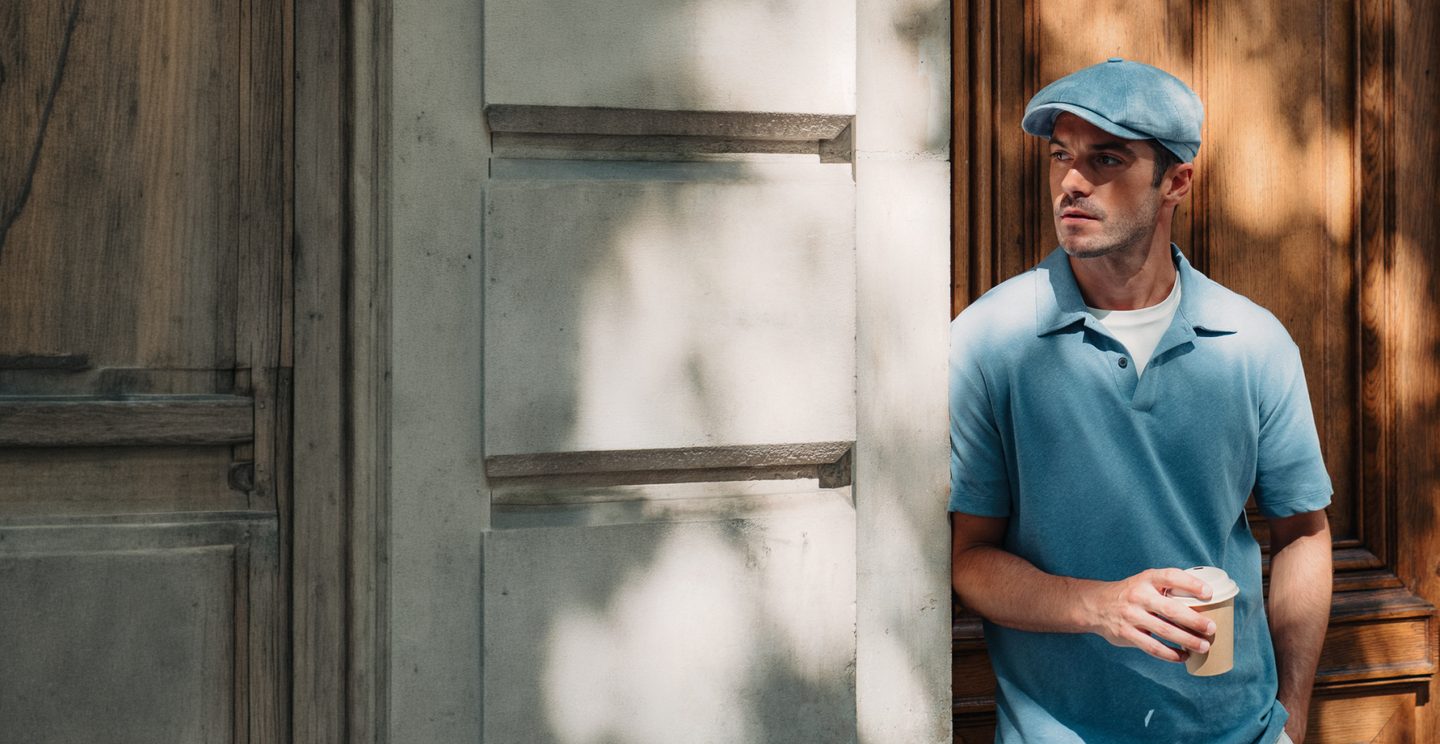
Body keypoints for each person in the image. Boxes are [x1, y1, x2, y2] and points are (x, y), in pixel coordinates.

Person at [948, 58, 1333, 744]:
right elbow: (969, 560)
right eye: (1061, 155)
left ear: (1176, 182)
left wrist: (1292, 718)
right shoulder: (989, 341)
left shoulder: (1254, 343)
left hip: (1239, 730)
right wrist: (1101, 607)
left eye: (1106, 159)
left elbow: (1303, 530)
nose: (1071, 181)